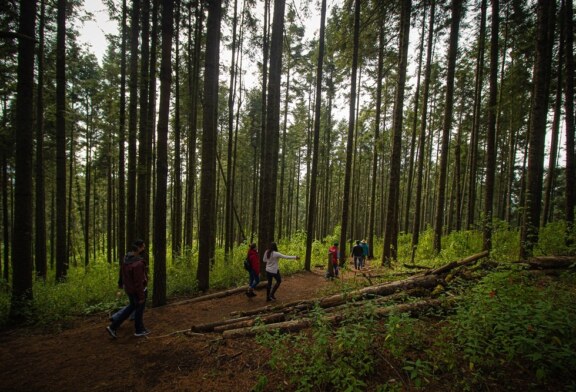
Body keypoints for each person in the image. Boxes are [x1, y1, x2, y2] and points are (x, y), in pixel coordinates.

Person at [106, 239, 149, 338]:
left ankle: (113, 327)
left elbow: (122, 273)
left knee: (132, 307)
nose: (144, 248)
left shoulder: (126, 258)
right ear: (138, 248)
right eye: (143, 246)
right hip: (137, 290)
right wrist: (142, 296)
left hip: (129, 289)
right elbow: (138, 282)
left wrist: (121, 284)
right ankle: (139, 330)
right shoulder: (138, 263)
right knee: (139, 309)